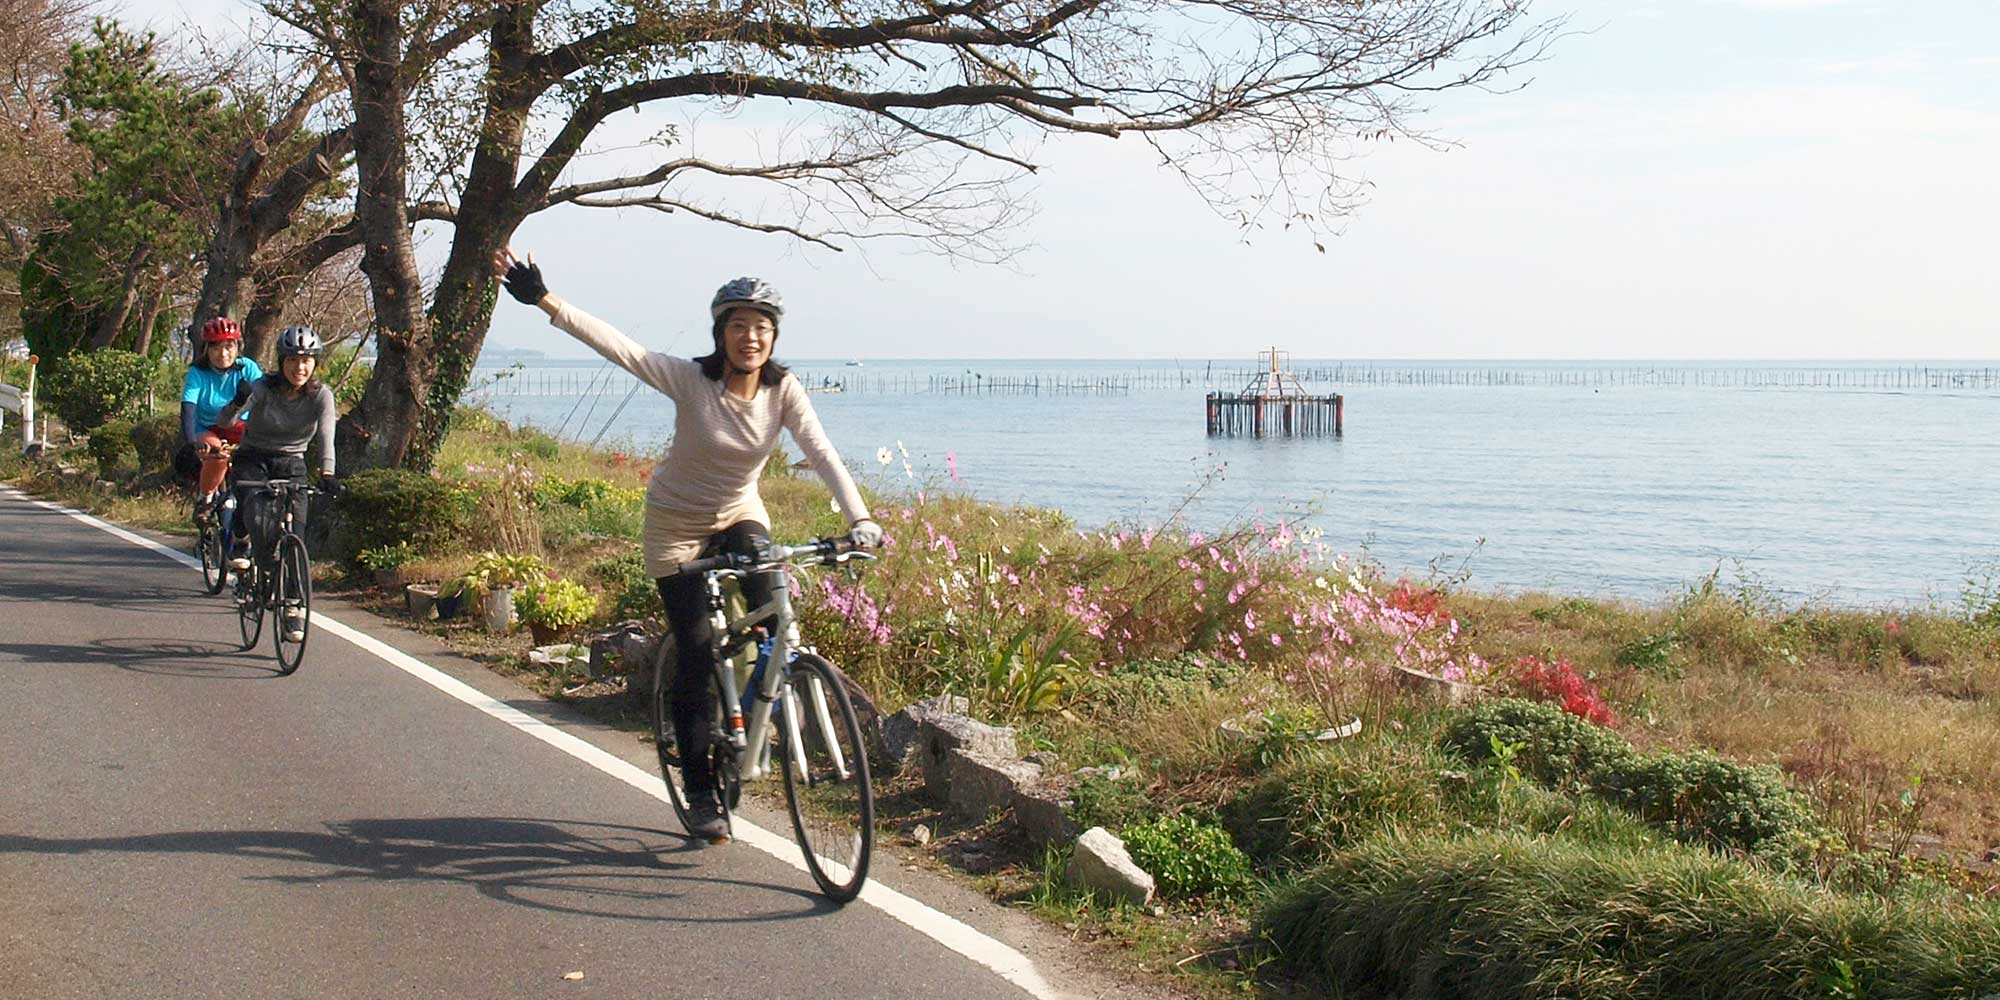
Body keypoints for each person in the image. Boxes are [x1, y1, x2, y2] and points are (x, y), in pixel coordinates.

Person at [492, 247, 882, 844]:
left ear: (774, 337)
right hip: (675, 527)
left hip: (740, 514)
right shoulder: (690, 380)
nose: (750, 337)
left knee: (775, 609)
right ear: (721, 333)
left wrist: (860, 519)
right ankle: (701, 790)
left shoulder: (784, 391)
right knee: (697, 652)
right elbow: (620, 346)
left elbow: (822, 453)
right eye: (738, 326)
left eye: (762, 327)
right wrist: (545, 300)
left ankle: (757, 706)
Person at [214, 326, 338, 640]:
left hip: (292, 462)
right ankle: (241, 540)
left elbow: (326, 436)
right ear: (282, 362)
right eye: (293, 360)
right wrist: (237, 401)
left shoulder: (321, 395)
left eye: (307, 360)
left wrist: (327, 474)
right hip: (254, 456)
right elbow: (227, 422)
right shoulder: (263, 388)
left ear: (315, 364)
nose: (300, 367)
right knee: (257, 516)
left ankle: (293, 609)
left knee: (295, 534)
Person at [178, 318, 262, 518]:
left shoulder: (247, 368)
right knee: (217, 454)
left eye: (229, 347)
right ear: (206, 349)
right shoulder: (197, 372)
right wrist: (191, 442)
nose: (223, 354)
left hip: (241, 427)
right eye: (216, 348)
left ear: (237, 347)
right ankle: (205, 498)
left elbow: (266, 395)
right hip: (208, 428)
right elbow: (188, 408)